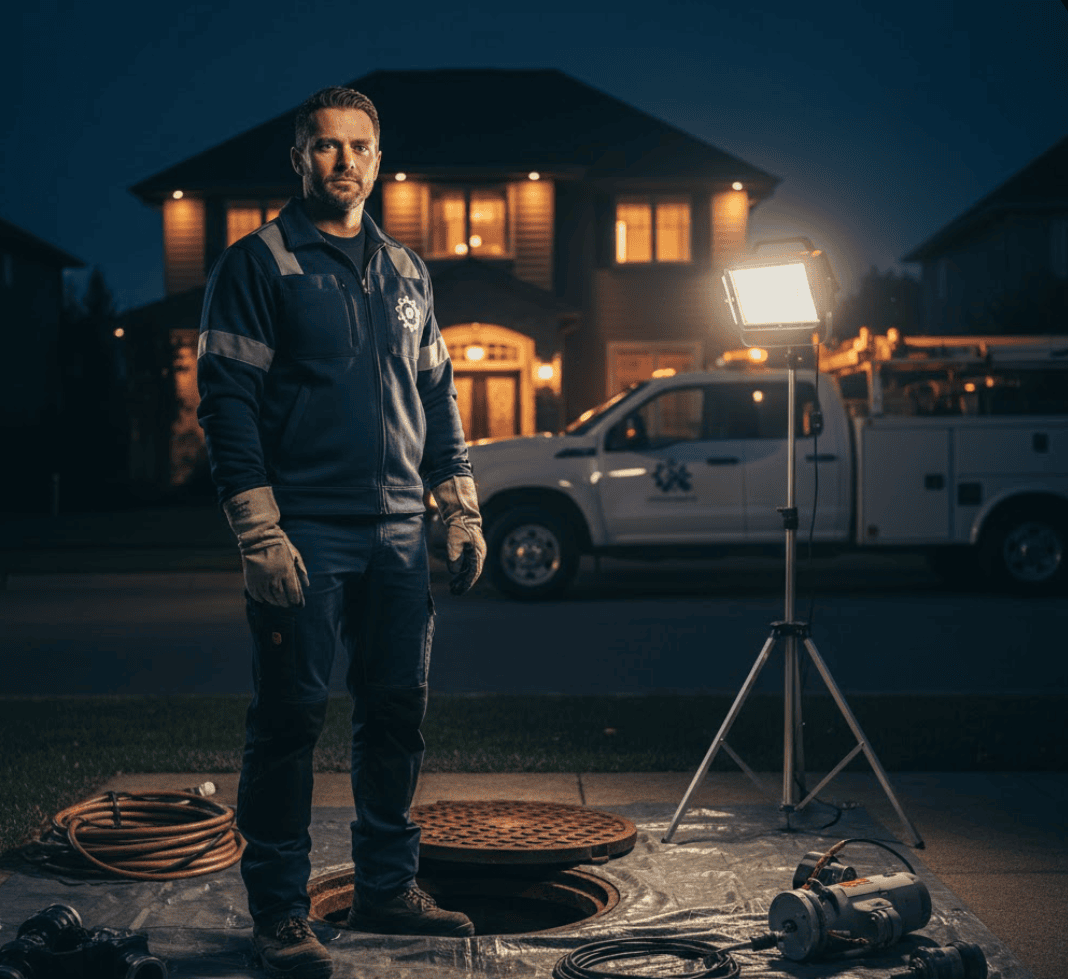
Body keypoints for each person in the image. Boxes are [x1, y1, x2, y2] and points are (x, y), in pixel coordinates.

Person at [196, 86, 486, 979]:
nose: (345, 161)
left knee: (396, 712)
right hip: (306, 535)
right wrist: (258, 531)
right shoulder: (259, 264)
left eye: (359, 146)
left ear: (378, 157)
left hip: (401, 535)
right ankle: (281, 913)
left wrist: (460, 500)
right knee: (289, 722)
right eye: (327, 147)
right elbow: (227, 404)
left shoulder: (407, 272)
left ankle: (386, 888)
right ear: (300, 158)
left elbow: (436, 395)